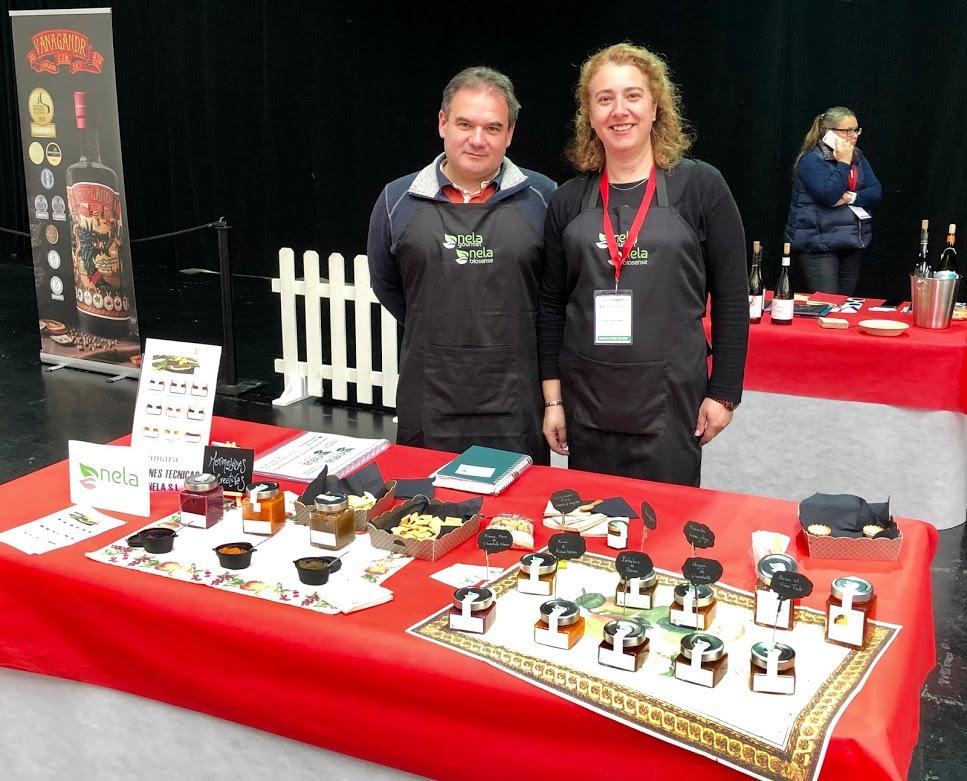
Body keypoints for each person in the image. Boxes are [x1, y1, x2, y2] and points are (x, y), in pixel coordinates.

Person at [538, 43, 748, 487]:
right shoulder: (568, 199)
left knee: (665, 532)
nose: (620, 111)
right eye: (605, 98)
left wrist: (724, 395)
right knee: (592, 526)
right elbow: (552, 305)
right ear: (590, 114)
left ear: (655, 106)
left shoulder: (701, 186)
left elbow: (731, 298)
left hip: (673, 401)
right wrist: (554, 399)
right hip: (587, 400)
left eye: (632, 96)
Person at [367, 66, 556, 463]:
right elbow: (389, 287)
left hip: (516, 403)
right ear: (442, 123)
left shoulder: (544, 197)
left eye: (492, 128)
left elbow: (557, 291)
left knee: (515, 519)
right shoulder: (395, 199)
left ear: (510, 134)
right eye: (465, 123)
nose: (476, 139)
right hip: (429, 399)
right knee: (425, 516)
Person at [784, 107, 882, 296]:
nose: (854, 135)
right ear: (828, 132)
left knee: (843, 307)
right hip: (820, 244)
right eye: (847, 131)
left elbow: (875, 191)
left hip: (850, 241)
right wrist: (843, 163)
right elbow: (829, 196)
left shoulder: (858, 157)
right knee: (828, 304)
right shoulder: (812, 160)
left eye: (856, 130)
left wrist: (850, 197)